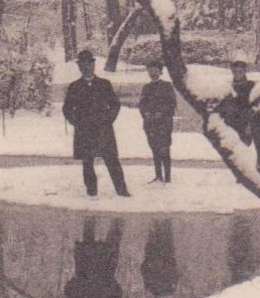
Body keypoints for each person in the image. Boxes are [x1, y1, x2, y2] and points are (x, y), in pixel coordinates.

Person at [62, 49, 129, 197]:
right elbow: (67, 108)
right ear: (79, 67)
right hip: (85, 130)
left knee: (112, 160)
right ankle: (91, 192)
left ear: (93, 65)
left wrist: (108, 119)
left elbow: (115, 104)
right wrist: (77, 122)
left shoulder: (104, 84)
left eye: (89, 64)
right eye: (83, 65)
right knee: (87, 162)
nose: (86, 68)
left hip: (103, 129)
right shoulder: (74, 87)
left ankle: (122, 191)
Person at [138, 61, 177, 183]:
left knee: (164, 149)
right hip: (150, 123)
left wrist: (162, 113)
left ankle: (168, 177)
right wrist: (146, 113)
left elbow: (172, 103)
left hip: (164, 122)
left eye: (155, 70)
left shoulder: (167, 86)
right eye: (150, 70)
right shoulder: (146, 87)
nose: (152, 72)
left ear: (160, 71)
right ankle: (158, 176)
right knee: (154, 148)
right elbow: (142, 104)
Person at [214, 54, 256, 144]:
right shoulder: (227, 87)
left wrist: (250, 126)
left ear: (245, 70)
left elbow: (255, 107)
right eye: (235, 70)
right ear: (232, 71)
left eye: (241, 70)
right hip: (229, 129)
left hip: (245, 127)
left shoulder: (251, 86)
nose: (237, 72)